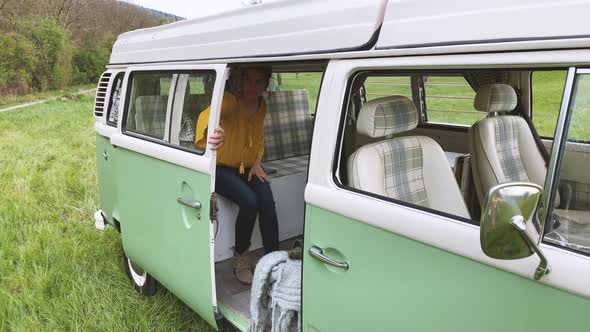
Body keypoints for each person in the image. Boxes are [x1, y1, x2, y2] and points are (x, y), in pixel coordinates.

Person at [195, 66, 279, 285]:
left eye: (258, 82)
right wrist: (213, 132)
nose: (252, 86)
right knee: (250, 202)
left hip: (248, 167)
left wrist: (257, 163)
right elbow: (208, 115)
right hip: (221, 168)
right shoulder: (231, 101)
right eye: (248, 80)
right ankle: (240, 257)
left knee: (267, 201)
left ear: (266, 84)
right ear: (240, 81)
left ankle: (274, 258)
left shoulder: (262, 105)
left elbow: (259, 137)